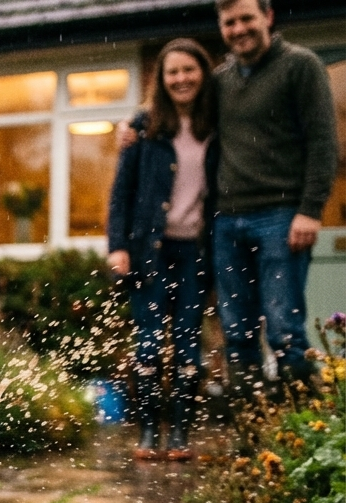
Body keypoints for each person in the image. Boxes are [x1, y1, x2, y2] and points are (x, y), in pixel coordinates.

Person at [119, 0, 338, 397]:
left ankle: (303, 427)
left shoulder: (300, 66)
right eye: (229, 22)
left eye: (246, 19)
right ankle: (254, 432)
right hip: (225, 224)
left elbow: (323, 143)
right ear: (221, 27)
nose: (239, 29)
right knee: (236, 332)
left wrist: (310, 210)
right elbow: (174, 103)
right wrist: (134, 123)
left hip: (282, 217)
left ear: (268, 17)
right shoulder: (220, 81)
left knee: (284, 327)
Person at [107, 39, 220, 461]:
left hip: (196, 252)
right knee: (149, 345)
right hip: (149, 251)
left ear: (203, 74)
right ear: (162, 78)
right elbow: (121, 193)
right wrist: (117, 246)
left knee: (189, 345)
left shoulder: (217, 125)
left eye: (189, 70)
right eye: (172, 72)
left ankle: (181, 435)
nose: (181, 78)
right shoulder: (143, 125)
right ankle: (150, 431)